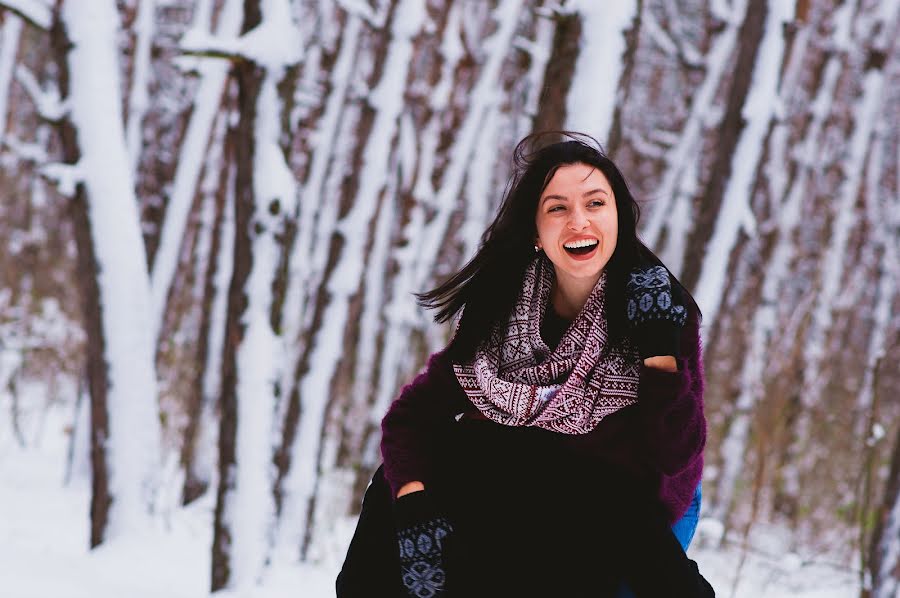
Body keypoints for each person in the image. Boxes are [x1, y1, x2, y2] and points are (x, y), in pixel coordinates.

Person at [336, 132, 714, 597]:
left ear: (619, 218)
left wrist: (659, 354)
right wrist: (413, 505)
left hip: (638, 501)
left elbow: (673, 456)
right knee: (409, 487)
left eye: (595, 203)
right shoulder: (503, 307)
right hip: (529, 490)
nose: (579, 221)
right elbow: (413, 416)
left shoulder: (658, 305)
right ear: (536, 233)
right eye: (558, 208)